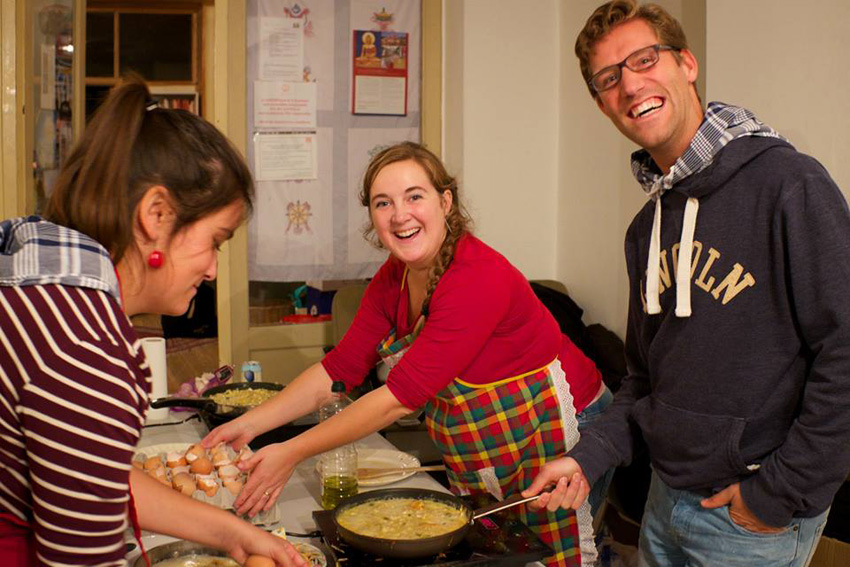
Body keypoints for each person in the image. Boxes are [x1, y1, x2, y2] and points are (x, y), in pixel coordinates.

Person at [523, 2, 850, 566]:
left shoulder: (789, 185)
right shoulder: (645, 230)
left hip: (747, 518)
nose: (630, 85)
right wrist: (587, 457)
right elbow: (644, 380)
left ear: (687, 64)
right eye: (609, 78)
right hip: (663, 500)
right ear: (603, 104)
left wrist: (775, 495)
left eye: (644, 59)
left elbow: (845, 353)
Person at [203, 141, 607, 567]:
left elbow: (399, 398)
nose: (400, 215)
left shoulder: (476, 277)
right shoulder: (393, 279)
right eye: (383, 203)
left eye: (415, 196)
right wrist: (248, 424)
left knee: (543, 557)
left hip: (562, 426)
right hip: (494, 441)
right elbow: (338, 370)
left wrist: (290, 451)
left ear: (445, 202)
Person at [0, 75, 306, 567]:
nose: (212, 271)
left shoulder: (45, 273)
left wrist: (233, 533)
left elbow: (94, 475)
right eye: (216, 241)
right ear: (156, 214)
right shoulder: (85, 349)